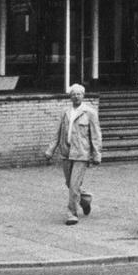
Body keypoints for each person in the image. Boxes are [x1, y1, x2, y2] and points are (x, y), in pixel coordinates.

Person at [46, 83, 103, 225]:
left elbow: (96, 135)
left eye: (79, 94)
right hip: (66, 152)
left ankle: (72, 213)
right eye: (73, 94)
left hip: (81, 153)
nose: (76, 96)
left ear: (83, 96)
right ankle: (85, 199)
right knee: (69, 183)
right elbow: (57, 133)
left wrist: (97, 154)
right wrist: (50, 150)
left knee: (74, 184)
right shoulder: (65, 112)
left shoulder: (89, 112)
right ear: (70, 96)